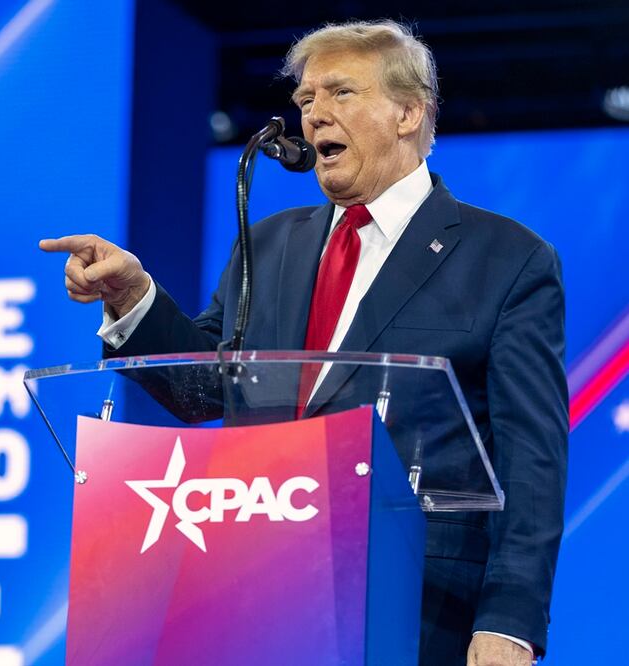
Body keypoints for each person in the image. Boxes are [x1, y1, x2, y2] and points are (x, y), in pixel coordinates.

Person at [40, 20, 566, 666]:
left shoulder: (506, 259)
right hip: (258, 589)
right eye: (305, 99)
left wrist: (509, 622)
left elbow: (532, 461)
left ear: (407, 113)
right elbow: (203, 390)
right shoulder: (269, 243)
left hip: (416, 607)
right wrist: (132, 297)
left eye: (340, 92)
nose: (313, 114)